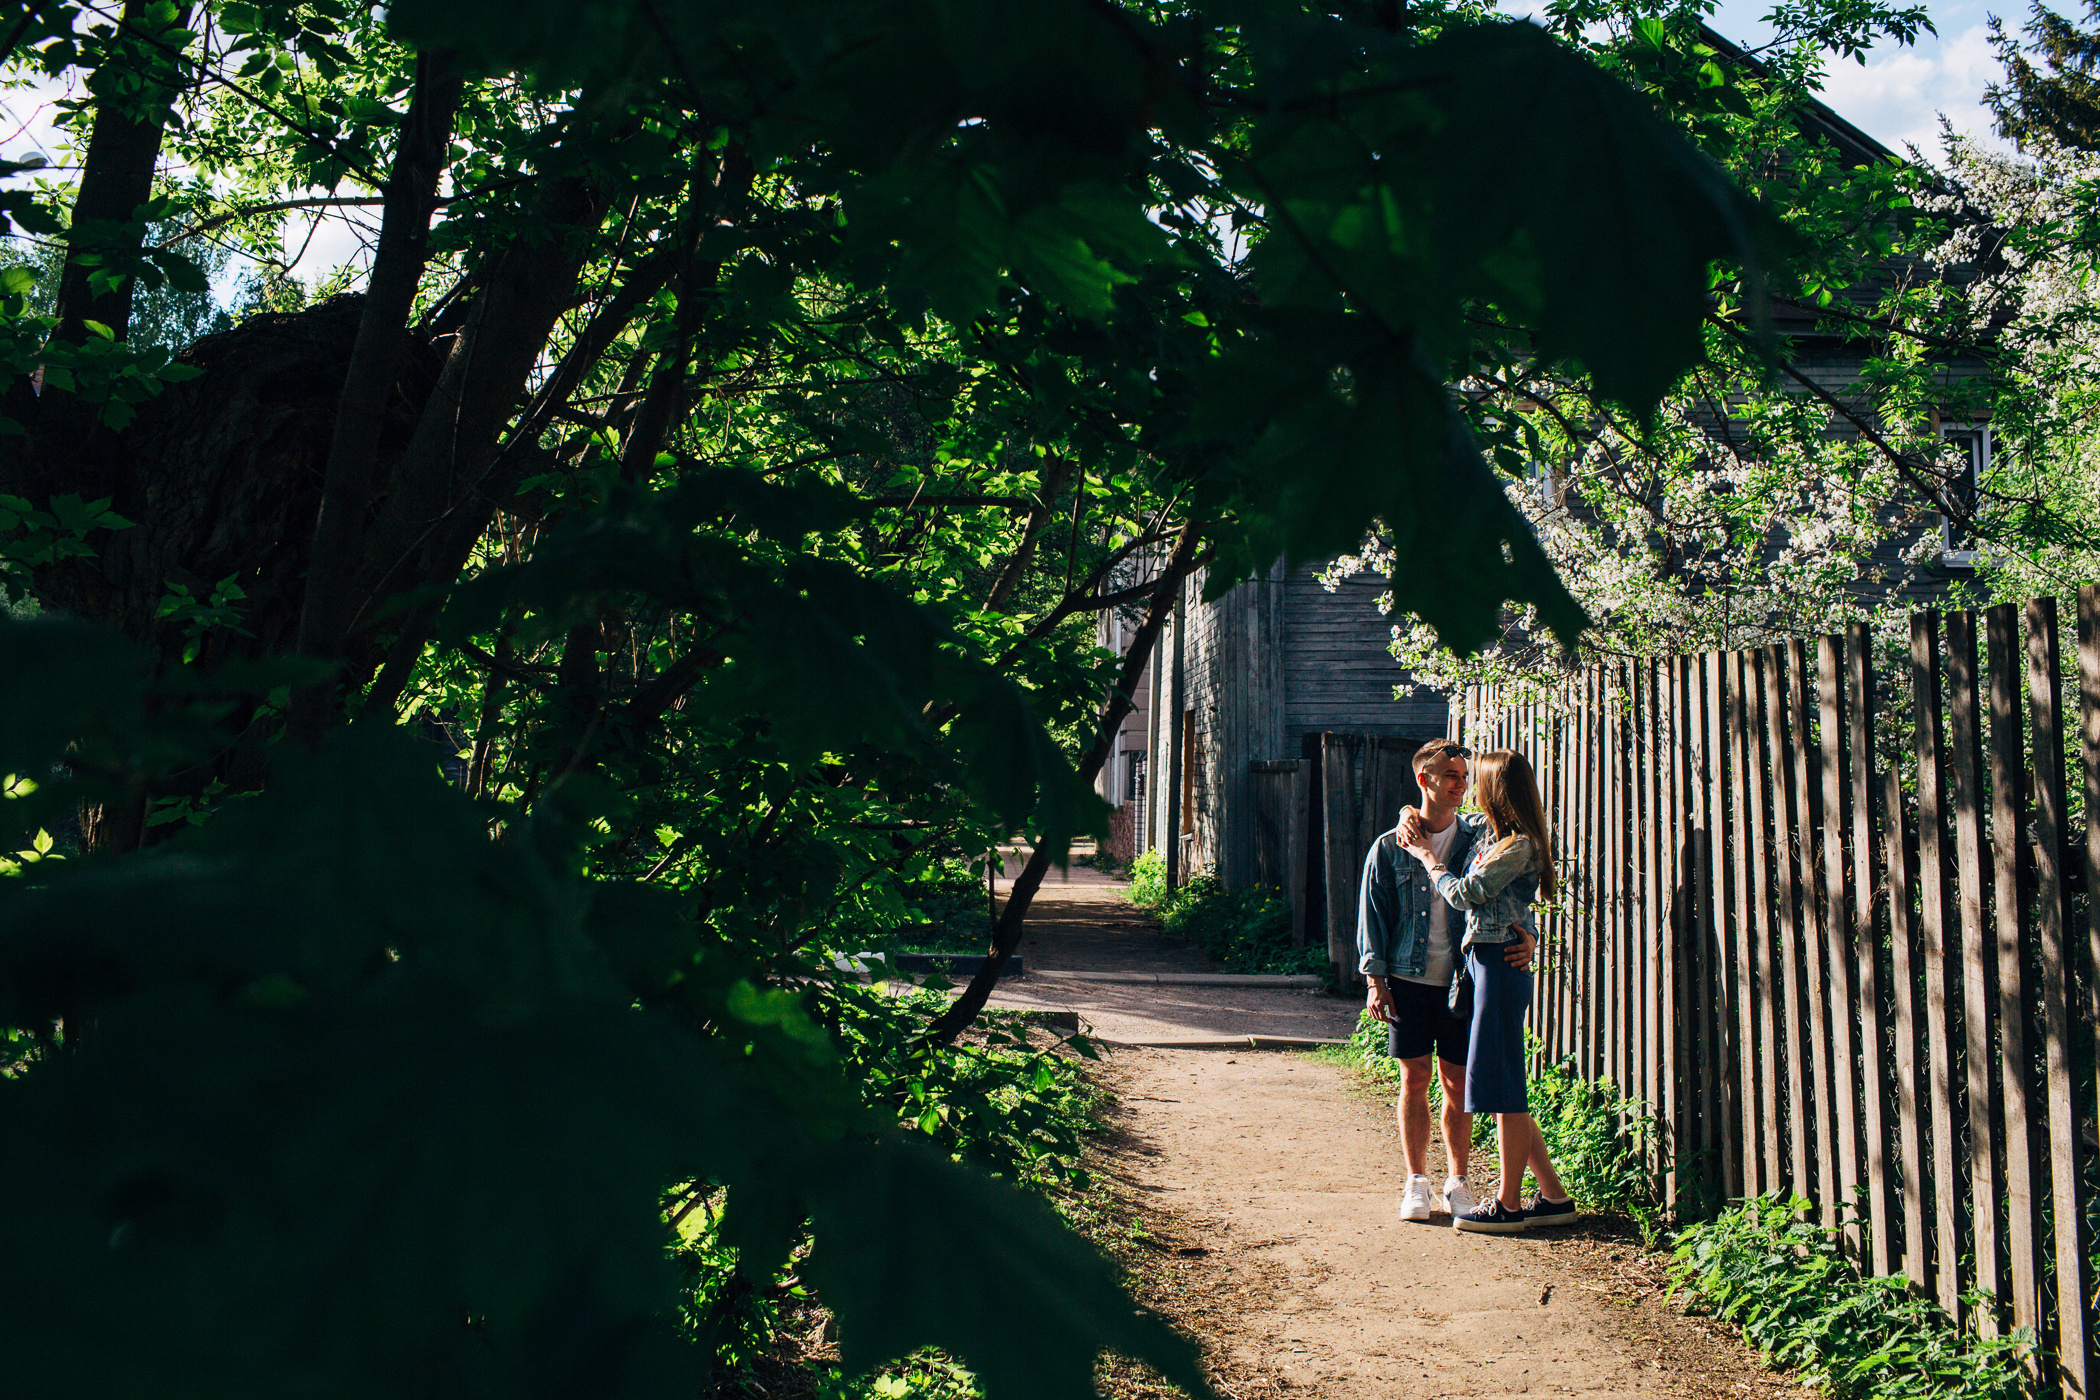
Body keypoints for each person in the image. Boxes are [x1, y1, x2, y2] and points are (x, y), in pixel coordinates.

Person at [1398, 747, 1578, 1234]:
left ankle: (1508, 1205)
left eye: (1474, 779)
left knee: (1502, 1088)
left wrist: (1428, 860)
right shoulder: (1491, 835)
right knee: (1502, 1085)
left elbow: (1466, 894)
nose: (1468, 786)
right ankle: (1555, 1197)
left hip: (1499, 963)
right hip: (1484, 961)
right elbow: (1429, 810)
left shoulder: (1517, 844)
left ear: (1495, 788)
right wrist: (1407, 815)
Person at [1356, 739, 1535, 1223]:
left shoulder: (1480, 835)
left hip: (1464, 977)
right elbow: (1372, 917)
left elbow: (1513, 891)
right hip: (1407, 977)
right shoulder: (1390, 847)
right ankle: (1416, 1181)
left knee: (1458, 1081)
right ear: (1424, 780)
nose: (1461, 784)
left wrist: (1530, 935)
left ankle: (1458, 1180)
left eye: (1464, 775)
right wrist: (1375, 981)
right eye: (1451, 776)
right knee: (1414, 1078)